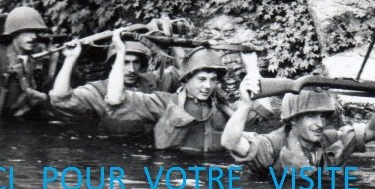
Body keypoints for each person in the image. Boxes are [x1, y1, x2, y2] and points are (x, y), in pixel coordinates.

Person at [103, 38, 265, 153]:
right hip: (173, 177)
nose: (207, 86)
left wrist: (252, 67)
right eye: (201, 79)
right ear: (186, 80)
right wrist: (120, 53)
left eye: (213, 80)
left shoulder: (224, 107)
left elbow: (262, 112)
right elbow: (115, 99)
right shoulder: (164, 102)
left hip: (213, 178)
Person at [221, 77, 375, 174]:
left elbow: (373, 130)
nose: (320, 124)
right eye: (311, 116)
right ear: (293, 119)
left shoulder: (331, 140)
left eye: (323, 116)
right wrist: (246, 105)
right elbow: (230, 142)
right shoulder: (271, 146)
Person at [48, 34, 180, 134]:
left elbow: (185, 74)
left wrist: (175, 42)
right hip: (113, 149)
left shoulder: (153, 80)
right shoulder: (98, 90)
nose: (131, 69)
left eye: (136, 62)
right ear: (112, 64)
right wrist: (70, 58)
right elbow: (61, 99)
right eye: (125, 62)